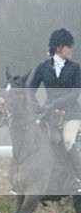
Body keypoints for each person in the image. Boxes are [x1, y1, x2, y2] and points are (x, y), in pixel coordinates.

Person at [29, 28, 81, 192]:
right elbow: (30, 90)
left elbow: (75, 94)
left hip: (71, 114)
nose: (71, 50)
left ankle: (79, 178)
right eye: (69, 47)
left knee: (68, 140)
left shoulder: (76, 68)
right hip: (49, 114)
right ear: (59, 48)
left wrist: (55, 103)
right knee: (34, 139)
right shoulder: (43, 68)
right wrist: (36, 106)